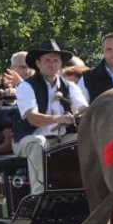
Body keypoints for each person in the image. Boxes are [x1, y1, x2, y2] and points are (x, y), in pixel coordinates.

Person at [13, 40, 88, 195]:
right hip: (28, 138)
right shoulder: (26, 87)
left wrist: (91, 111)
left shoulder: (70, 87)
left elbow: (83, 110)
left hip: (59, 138)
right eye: (47, 60)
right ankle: (39, 196)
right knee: (38, 143)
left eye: (56, 61)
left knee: (82, 140)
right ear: (38, 63)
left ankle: (82, 191)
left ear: (61, 64)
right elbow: (33, 119)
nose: (52, 64)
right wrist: (59, 119)